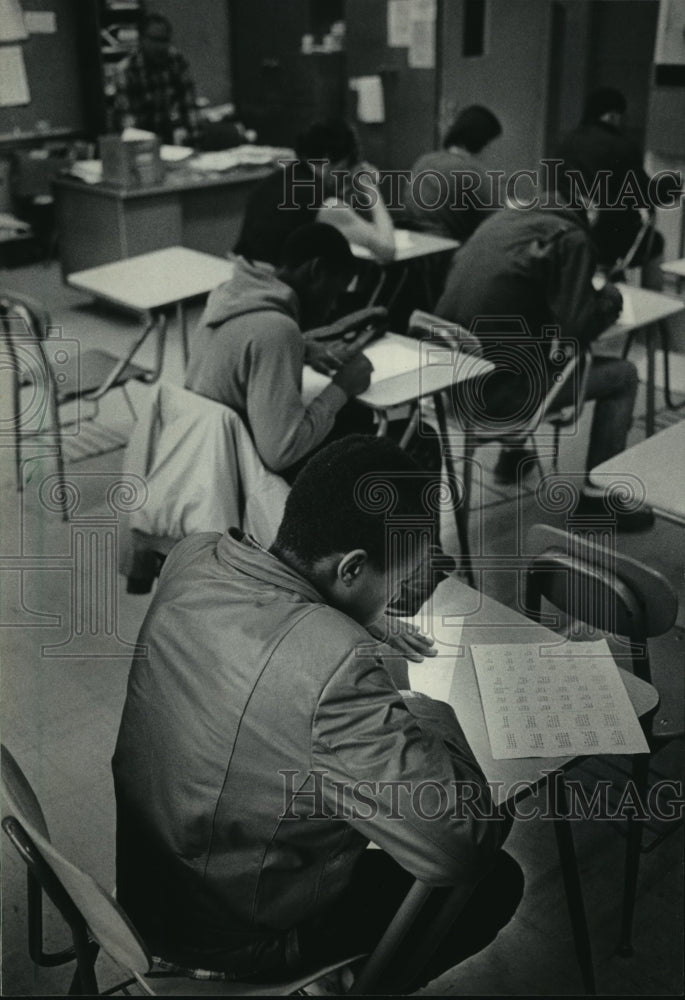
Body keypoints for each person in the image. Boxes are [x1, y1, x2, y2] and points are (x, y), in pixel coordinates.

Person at [112, 435, 523, 991]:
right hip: (227, 940)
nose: (394, 603)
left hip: (144, 892)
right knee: (492, 881)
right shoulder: (335, 670)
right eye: (396, 586)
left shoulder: (196, 556)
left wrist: (344, 616)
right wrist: (426, 710)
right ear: (351, 568)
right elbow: (462, 847)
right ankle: (344, 981)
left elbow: (265, 640)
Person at [435, 175, 655, 532]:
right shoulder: (572, 237)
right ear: (591, 208)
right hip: (499, 398)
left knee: (520, 342)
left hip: (447, 386)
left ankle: (512, 457)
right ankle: (600, 500)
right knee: (624, 374)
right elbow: (575, 331)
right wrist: (609, 298)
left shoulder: (504, 219)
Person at [185, 222, 381, 480]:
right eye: (334, 293)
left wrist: (304, 347)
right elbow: (281, 453)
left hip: (201, 454)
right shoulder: (277, 329)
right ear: (316, 271)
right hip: (240, 477)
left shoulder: (231, 294)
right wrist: (343, 386)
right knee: (369, 428)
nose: (332, 308)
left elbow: (247, 343)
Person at [234, 119, 396, 266]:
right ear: (331, 160)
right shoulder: (324, 203)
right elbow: (387, 250)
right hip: (272, 288)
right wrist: (371, 189)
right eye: (345, 169)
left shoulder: (276, 180)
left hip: (241, 276)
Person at [554, 87, 664, 288]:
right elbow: (645, 195)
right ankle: (655, 308)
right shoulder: (622, 146)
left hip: (566, 233)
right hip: (608, 240)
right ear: (613, 115)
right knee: (655, 242)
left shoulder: (565, 144)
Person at [403, 104, 502, 243]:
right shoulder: (473, 171)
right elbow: (498, 221)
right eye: (491, 144)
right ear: (482, 141)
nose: (492, 151)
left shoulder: (423, 162)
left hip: (418, 248)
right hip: (453, 253)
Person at [113, 12, 198, 145]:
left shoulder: (176, 61)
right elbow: (128, 121)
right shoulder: (127, 70)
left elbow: (188, 106)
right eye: (155, 40)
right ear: (141, 39)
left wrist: (193, 139)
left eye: (165, 40)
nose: (161, 47)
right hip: (139, 140)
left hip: (168, 140)